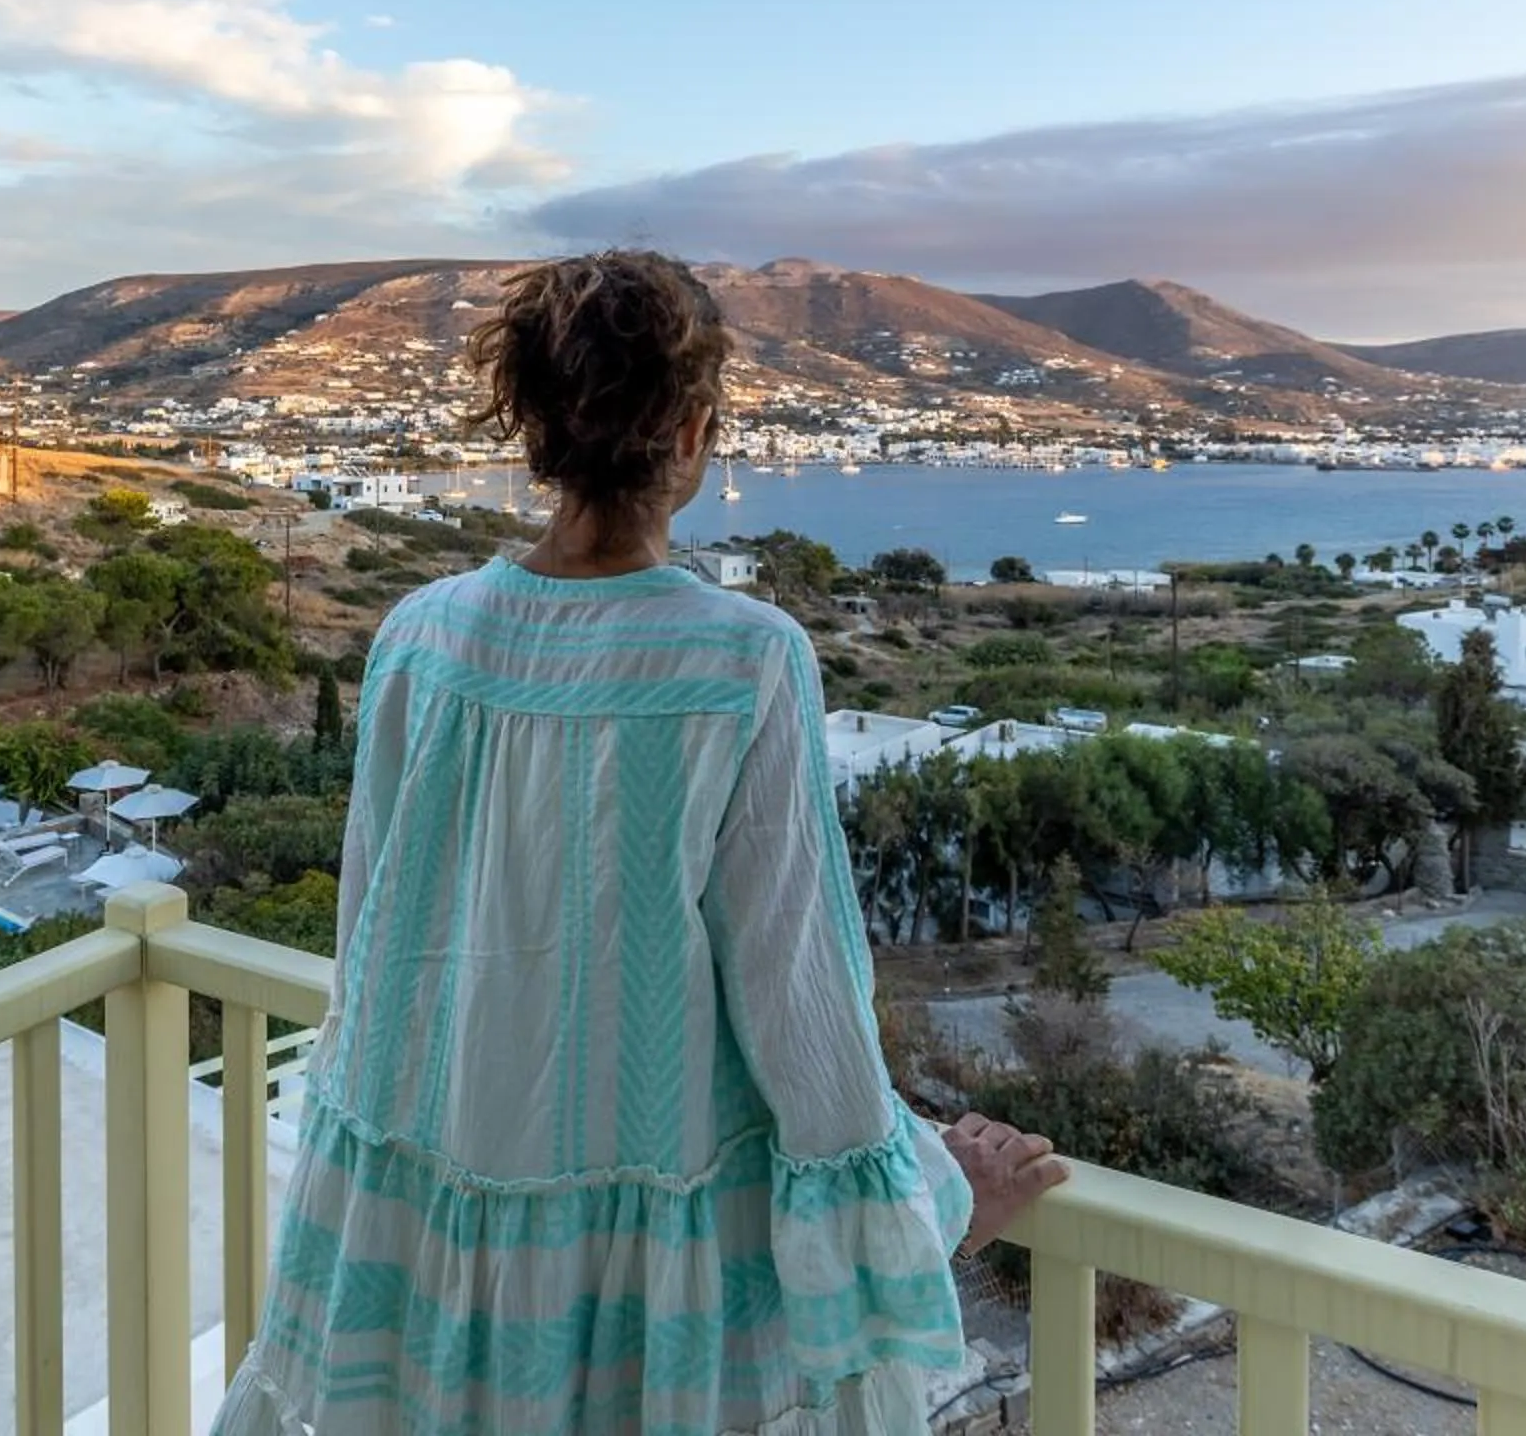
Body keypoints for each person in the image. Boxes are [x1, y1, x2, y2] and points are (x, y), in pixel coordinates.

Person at [214, 250, 1067, 1436]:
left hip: (412, 1250)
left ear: (531, 429)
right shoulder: (744, 658)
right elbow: (799, 1000)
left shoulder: (418, 636)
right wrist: (938, 1202)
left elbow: (374, 949)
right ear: (695, 430)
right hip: (643, 1288)